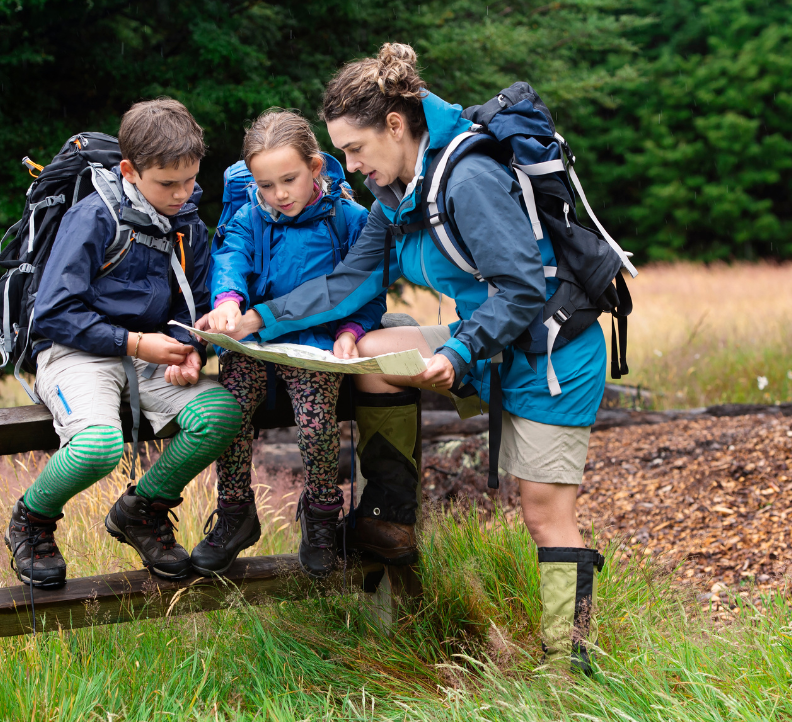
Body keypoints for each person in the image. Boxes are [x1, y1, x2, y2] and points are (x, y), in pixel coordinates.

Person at [206, 45, 608, 672]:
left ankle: (568, 660)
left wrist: (461, 348)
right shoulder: (394, 191)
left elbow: (525, 286)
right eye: (342, 152)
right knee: (371, 348)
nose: (349, 164)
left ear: (395, 125)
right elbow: (351, 281)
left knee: (543, 510)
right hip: (486, 345)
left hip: (549, 351)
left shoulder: (467, 179)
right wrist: (259, 318)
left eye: (355, 148)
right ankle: (387, 516)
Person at [4, 98, 242, 588]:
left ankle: (142, 510)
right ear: (131, 171)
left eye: (191, 180)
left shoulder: (189, 225)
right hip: (76, 352)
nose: (182, 194)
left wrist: (188, 349)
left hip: (151, 356)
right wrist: (135, 343)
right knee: (97, 445)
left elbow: (191, 306)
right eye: (167, 184)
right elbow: (53, 312)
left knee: (221, 414)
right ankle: (33, 519)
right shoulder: (93, 218)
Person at [191, 109, 386, 579]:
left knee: (317, 420)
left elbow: (366, 288)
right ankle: (236, 512)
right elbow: (230, 260)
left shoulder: (351, 220)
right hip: (254, 340)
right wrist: (227, 303)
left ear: (315, 168)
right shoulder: (248, 216)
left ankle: (321, 515)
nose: (278, 195)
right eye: (265, 185)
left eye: (289, 180)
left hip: (313, 344)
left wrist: (351, 331)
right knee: (227, 411)